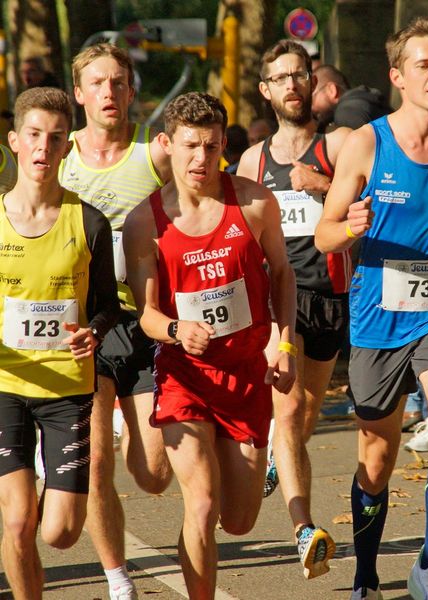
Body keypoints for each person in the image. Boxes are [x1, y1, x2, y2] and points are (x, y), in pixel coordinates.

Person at [315, 16, 428, 600]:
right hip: (379, 316)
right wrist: (350, 225)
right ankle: (367, 574)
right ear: (397, 76)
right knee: (377, 454)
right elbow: (323, 235)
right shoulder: (368, 143)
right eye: (423, 65)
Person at [123, 91, 296, 600]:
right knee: (199, 503)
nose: (202, 159)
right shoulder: (145, 223)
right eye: (191, 146)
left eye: (212, 145)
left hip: (245, 376)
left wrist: (283, 346)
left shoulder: (256, 203)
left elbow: (283, 274)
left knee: (238, 520)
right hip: (185, 378)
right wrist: (178, 331)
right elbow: (148, 314)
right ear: (167, 145)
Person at [59, 43, 172, 600]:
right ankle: (116, 576)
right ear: (79, 93)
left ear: (132, 92)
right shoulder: (58, 160)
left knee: (154, 476)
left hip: (148, 321)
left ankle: (136, 426)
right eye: (98, 83)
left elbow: (208, 199)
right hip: (87, 326)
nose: (109, 92)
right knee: (96, 458)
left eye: (119, 82)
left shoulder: (157, 156)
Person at [237, 39, 352, 579]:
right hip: (279, 299)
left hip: (331, 298)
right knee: (287, 409)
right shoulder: (251, 161)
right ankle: (305, 530)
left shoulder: (342, 145)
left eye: (299, 75)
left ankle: (278, 459)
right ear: (266, 91)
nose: (291, 85)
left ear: (312, 81)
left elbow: (373, 206)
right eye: (280, 78)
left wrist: (321, 185)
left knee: (305, 412)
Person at [0, 87, 119, 600]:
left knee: (60, 532)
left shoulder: (88, 221)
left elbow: (110, 304)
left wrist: (94, 328)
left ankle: (43, 481)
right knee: (19, 520)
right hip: (6, 384)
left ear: (66, 147)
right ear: (14, 142)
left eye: (53, 138)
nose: (43, 148)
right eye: (33, 136)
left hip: (68, 390)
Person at [312, 64, 392, 132]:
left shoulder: (346, 113)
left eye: (312, 98)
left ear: (331, 90)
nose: (311, 107)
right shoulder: (363, 101)